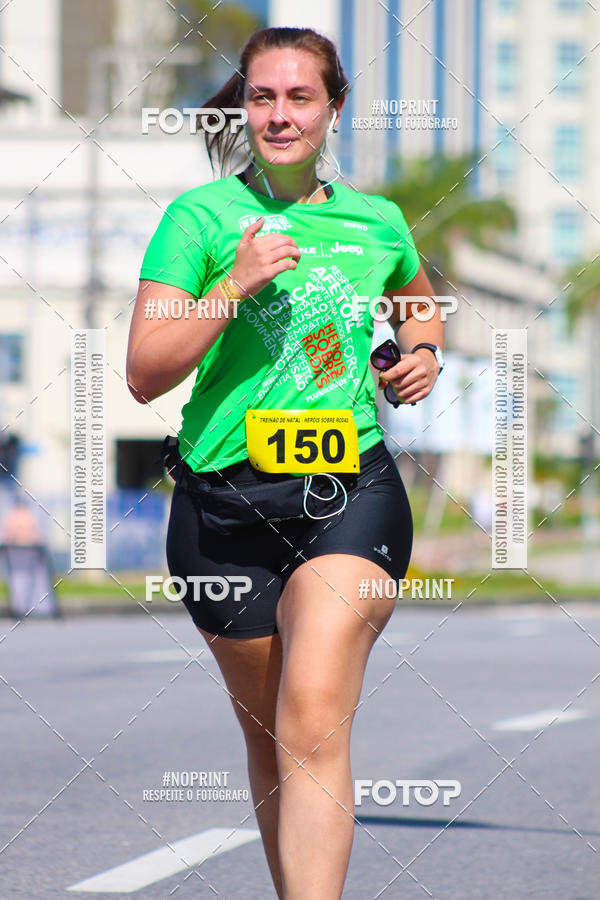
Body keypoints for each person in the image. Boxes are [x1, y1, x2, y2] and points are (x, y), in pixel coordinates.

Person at [127, 26, 444, 900]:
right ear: (242, 108)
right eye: (261, 97)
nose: (279, 114)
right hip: (221, 507)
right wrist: (235, 283)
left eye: (300, 97)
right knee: (272, 736)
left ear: (333, 107)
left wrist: (422, 353)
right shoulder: (198, 219)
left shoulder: (376, 220)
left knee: (311, 718)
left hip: (350, 492)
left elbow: (418, 304)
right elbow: (145, 371)